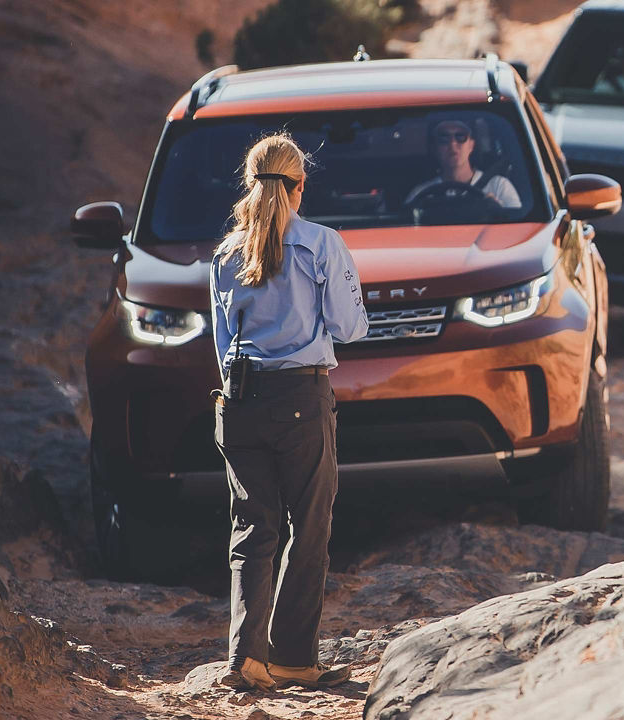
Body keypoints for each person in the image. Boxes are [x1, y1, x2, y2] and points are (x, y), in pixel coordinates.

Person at [209, 132, 369, 691]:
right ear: (301, 186)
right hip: (301, 399)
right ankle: (294, 656)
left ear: (250, 182)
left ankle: (244, 657)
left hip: (239, 403)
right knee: (310, 527)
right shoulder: (321, 244)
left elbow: (222, 339)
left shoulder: (226, 253)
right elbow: (348, 326)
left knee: (252, 527)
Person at [404, 118, 521, 209]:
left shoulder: (499, 187)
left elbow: (519, 229)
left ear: (471, 145)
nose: (452, 144)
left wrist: (498, 212)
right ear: (435, 148)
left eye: (460, 137)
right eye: (444, 138)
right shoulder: (420, 195)